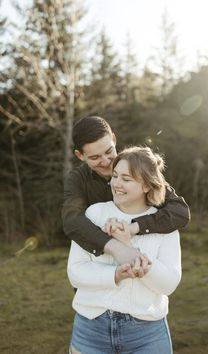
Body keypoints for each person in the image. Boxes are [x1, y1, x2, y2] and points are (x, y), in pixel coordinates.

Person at [67, 146, 182, 354]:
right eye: (115, 176)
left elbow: (169, 284)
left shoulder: (164, 224)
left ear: (147, 185)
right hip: (91, 330)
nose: (116, 184)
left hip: (147, 335)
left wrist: (129, 249)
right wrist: (115, 275)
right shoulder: (94, 214)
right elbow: (75, 272)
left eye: (126, 179)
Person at [62, 116, 189, 268]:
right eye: (95, 157)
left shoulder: (138, 167)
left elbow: (180, 211)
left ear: (114, 139)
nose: (106, 161)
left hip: (142, 266)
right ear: (80, 155)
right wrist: (117, 248)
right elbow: (72, 221)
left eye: (109, 151)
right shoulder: (77, 180)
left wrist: (135, 227)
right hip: (96, 270)